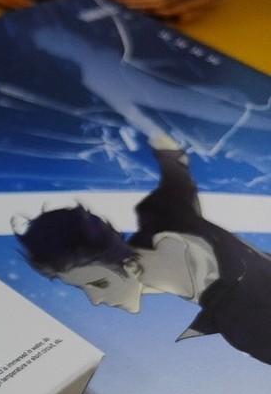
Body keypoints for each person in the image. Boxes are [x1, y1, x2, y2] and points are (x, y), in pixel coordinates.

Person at [16, 133, 271, 366]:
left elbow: (175, 168)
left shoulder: (245, 324)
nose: (95, 301)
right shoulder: (161, 214)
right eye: (83, 288)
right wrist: (167, 151)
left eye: (99, 283)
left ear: (130, 266)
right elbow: (175, 171)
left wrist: (162, 140)